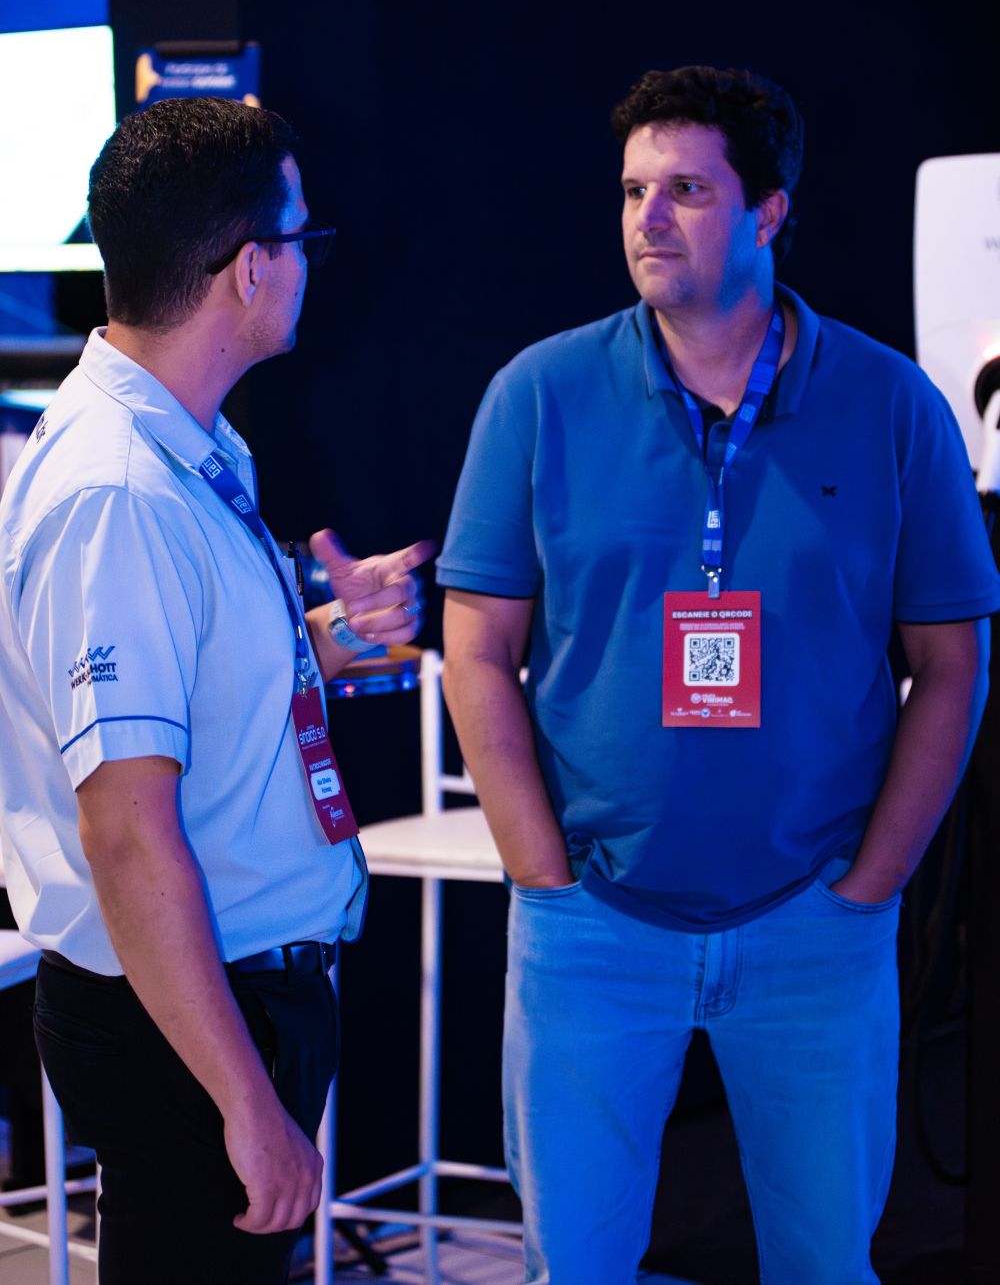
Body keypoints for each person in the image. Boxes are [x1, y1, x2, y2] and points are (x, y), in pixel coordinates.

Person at [437, 65, 1000, 1284]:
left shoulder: (892, 405)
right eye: (632, 189)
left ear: (769, 211)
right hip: (592, 927)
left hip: (814, 925)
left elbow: (952, 666)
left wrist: (871, 886)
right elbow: (474, 647)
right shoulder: (538, 395)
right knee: (574, 1268)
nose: (647, 216)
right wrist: (540, 873)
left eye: (686, 190)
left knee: (824, 1266)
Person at [0, 96, 433, 1285]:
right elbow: (126, 832)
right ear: (250, 268)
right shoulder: (119, 492)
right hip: (189, 1020)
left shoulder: (182, 447)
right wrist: (244, 1099)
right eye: (302, 239)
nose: (306, 267)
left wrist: (328, 636)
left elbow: (192, 685)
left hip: (217, 1000)